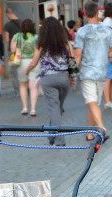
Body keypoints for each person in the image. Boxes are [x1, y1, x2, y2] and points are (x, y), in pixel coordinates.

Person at [25, 17, 75, 146]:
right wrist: (72, 78)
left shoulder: (41, 45)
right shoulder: (66, 43)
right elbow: (72, 62)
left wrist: (26, 71)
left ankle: (59, 139)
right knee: (58, 108)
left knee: (54, 108)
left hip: (48, 79)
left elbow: (34, 62)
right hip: (64, 79)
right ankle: (51, 134)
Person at [74, 1, 112, 140]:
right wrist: (102, 55)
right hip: (101, 72)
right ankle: (89, 134)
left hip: (87, 72)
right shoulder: (107, 30)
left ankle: (101, 128)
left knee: (92, 102)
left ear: (85, 13)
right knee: (93, 103)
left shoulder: (82, 31)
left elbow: (77, 54)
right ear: (97, 12)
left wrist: (73, 72)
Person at [12, 19, 39, 116]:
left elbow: (13, 49)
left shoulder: (17, 36)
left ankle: (24, 108)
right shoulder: (36, 37)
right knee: (34, 87)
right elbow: (39, 51)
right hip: (34, 63)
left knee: (23, 85)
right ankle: (33, 110)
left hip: (21, 62)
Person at [3, 8, 21, 96]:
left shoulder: (7, 25)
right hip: (24, 50)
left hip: (13, 51)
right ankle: (27, 88)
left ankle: (17, 91)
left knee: (13, 71)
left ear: (8, 14)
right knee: (24, 69)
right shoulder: (22, 22)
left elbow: (6, 39)